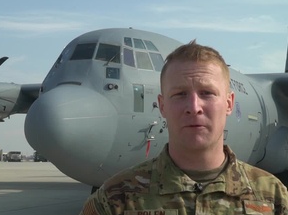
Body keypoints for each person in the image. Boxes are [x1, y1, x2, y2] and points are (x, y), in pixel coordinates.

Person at [79, 40, 288, 215]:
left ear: (229, 104)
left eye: (207, 93)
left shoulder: (275, 198)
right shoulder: (113, 200)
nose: (194, 107)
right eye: (180, 94)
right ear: (162, 105)